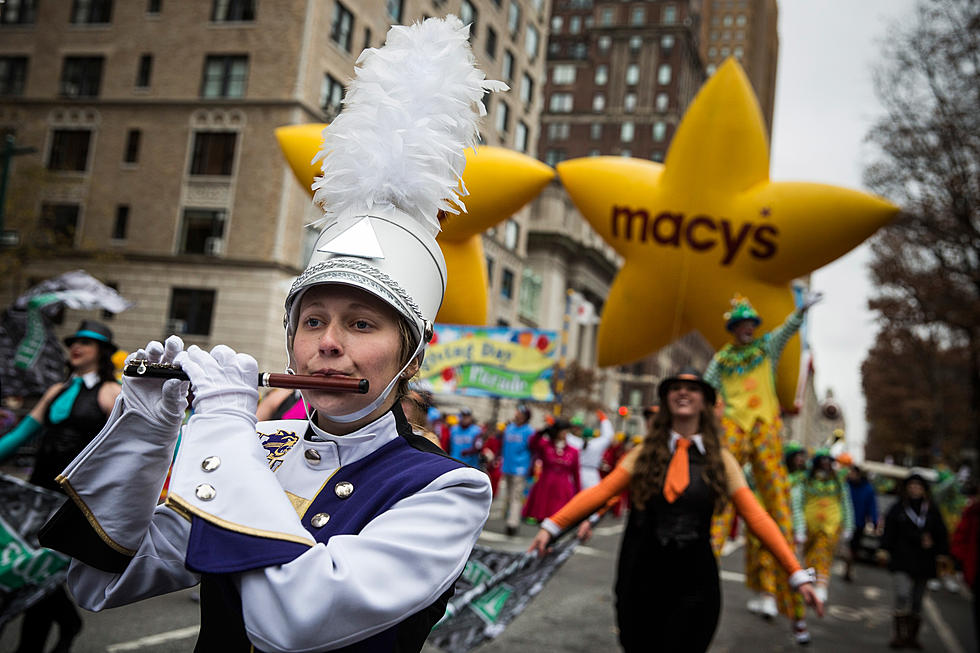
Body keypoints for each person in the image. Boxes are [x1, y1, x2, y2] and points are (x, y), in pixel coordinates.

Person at [37, 16, 503, 652]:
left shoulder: (445, 488)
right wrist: (145, 427)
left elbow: (291, 621)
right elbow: (104, 581)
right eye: (313, 321)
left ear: (411, 356)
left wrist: (226, 417)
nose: (327, 343)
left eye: (360, 324)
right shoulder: (265, 443)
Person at [530, 368, 823, 652]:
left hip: (695, 581)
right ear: (666, 400)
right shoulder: (643, 453)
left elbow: (756, 516)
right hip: (641, 578)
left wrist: (796, 573)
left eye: (692, 388)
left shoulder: (721, 459)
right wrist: (551, 527)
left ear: (705, 403)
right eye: (675, 388)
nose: (683, 392)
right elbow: (601, 492)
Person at [0, 319, 121, 653]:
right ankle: (68, 624)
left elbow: (129, 445)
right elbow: (22, 433)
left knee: (38, 575)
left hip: (72, 501)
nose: (76, 347)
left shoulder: (111, 393)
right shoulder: (57, 390)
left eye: (87, 342)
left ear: (103, 351)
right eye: (73, 342)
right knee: (29, 571)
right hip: (37, 495)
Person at [706, 292, 821, 634]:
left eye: (750, 324)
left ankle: (795, 607)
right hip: (732, 428)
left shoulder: (765, 349)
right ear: (733, 328)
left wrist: (800, 311)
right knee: (719, 499)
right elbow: (706, 388)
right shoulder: (721, 359)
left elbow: (786, 333)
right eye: (741, 324)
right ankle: (697, 578)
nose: (747, 329)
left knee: (779, 505)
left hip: (765, 426)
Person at [878, 473, 950, 649]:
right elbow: (889, 530)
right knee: (902, 594)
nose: (914, 489)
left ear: (924, 490)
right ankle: (898, 635)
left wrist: (941, 552)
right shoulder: (899, 507)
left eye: (918, 486)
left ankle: (912, 637)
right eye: (911, 486)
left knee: (917, 601)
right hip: (902, 558)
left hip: (924, 560)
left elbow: (942, 533)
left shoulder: (931, 509)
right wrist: (883, 549)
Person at [793, 450, 854, 605]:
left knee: (823, 556)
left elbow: (846, 504)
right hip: (810, 527)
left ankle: (821, 586)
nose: (826, 463)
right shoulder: (805, 480)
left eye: (828, 460)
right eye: (823, 460)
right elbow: (798, 503)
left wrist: (848, 526)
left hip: (831, 527)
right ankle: (811, 587)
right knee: (809, 558)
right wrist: (799, 527)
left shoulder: (838, 481)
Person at [521, 419, 581, 524]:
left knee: (559, 520)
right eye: (563, 431)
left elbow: (576, 473)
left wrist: (578, 493)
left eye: (567, 431)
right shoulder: (546, 445)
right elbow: (532, 445)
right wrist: (540, 433)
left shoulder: (573, 451)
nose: (565, 434)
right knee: (541, 520)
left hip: (563, 489)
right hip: (545, 486)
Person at [500, 404, 535, 535]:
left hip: (520, 469)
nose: (517, 415)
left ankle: (512, 524)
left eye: (520, 414)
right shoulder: (509, 428)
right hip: (507, 467)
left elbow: (532, 449)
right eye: (517, 413)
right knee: (508, 496)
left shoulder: (529, 431)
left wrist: (530, 468)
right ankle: (509, 517)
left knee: (516, 496)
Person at [845, 463, 880, 581]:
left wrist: (874, 522)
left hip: (858, 523)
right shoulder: (845, 485)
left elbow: (872, 506)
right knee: (846, 548)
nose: (850, 475)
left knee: (853, 549)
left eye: (852, 473)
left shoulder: (867, 489)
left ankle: (849, 568)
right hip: (843, 522)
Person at [566, 410, 614, 489]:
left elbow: (566, 435)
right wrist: (604, 420)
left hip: (576, 473)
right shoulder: (597, 444)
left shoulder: (575, 442)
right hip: (592, 475)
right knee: (592, 498)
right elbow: (608, 435)